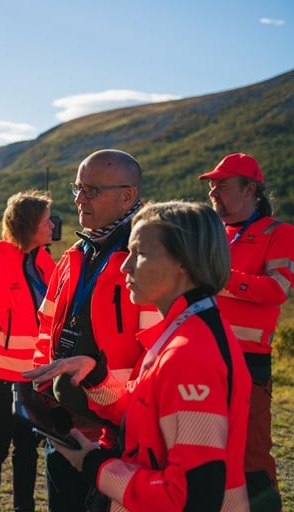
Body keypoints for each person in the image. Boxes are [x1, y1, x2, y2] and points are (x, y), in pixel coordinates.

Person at [25, 201, 252, 511]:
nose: (125, 266)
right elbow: (142, 412)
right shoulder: (180, 332)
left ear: (183, 262)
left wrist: (96, 466)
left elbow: (190, 497)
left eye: (140, 254)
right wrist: (96, 377)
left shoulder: (190, 354)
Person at [30, 149, 158, 511]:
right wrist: (44, 391)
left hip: (121, 433)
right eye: (77, 188)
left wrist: (131, 422)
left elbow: (159, 353)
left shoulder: (150, 256)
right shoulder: (76, 253)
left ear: (127, 196)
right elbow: (46, 329)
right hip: (66, 425)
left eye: (91, 190)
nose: (79, 199)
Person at [199, 153, 294, 511]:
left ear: (250, 189)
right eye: (211, 186)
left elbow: (278, 289)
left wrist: (221, 279)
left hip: (249, 364)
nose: (213, 193)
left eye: (221, 185)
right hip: (205, 359)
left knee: (251, 456)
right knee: (206, 451)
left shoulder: (279, 233)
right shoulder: (215, 233)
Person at [0, 190, 56, 512]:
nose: (52, 227)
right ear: (28, 225)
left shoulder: (44, 259)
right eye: (46, 221)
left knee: (28, 447)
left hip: (34, 372)